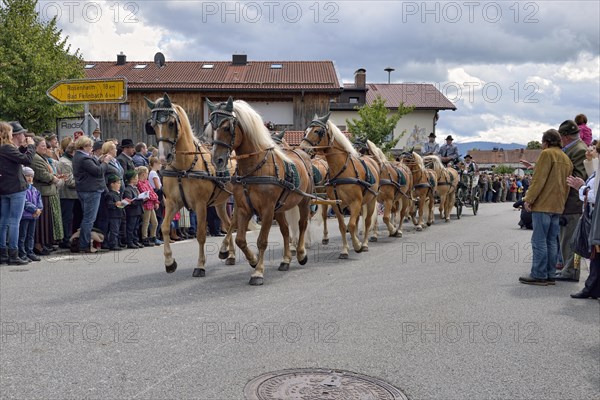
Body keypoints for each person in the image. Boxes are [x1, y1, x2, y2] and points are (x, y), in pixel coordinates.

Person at [519, 129, 572, 285]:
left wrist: (528, 199)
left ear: (546, 141)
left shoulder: (547, 154)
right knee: (551, 241)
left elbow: (539, 179)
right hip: (557, 206)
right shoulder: (566, 158)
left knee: (539, 241)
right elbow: (566, 186)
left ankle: (539, 274)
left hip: (543, 204)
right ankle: (550, 274)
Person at [555, 120, 589, 282]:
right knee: (566, 238)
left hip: (573, 201)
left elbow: (580, 177)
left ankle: (571, 271)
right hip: (569, 201)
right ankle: (568, 270)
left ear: (565, 136)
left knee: (570, 239)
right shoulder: (573, 148)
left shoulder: (579, 150)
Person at [566, 141, 599, 298]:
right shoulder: (596, 168)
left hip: (595, 216)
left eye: (593, 149)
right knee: (595, 255)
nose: (589, 150)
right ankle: (592, 287)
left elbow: (594, 195)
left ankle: (591, 287)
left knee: (595, 253)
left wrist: (581, 188)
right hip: (593, 214)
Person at [0, 121, 36, 265]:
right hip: (15, 188)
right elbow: (27, 160)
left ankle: (3, 252)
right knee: (15, 221)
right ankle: (13, 254)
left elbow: (14, 159)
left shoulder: (3, 148)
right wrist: (32, 147)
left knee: (3, 221)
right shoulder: (7, 147)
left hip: (4, 188)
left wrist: (22, 148)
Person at [72, 136, 112, 253]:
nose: (92, 148)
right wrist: (105, 162)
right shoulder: (84, 158)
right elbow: (98, 172)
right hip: (91, 191)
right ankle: (84, 244)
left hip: (85, 190)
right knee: (89, 219)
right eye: (90, 146)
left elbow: (92, 168)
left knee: (87, 218)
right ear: (84, 146)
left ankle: (84, 243)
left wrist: (99, 160)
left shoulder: (79, 156)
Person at [31, 136, 63, 254]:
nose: (45, 148)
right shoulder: (35, 158)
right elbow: (42, 175)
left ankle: (43, 243)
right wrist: (54, 178)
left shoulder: (41, 157)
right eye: (43, 146)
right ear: (35, 147)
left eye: (45, 146)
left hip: (47, 192)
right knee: (41, 223)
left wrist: (55, 177)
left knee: (46, 222)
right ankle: (38, 244)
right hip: (42, 193)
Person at [56, 142, 79, 248]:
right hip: (67, 195)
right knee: (68, 218)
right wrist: (83, 182)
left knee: (72, 218)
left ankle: (71, 238)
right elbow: (69, 182)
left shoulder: (70, 160)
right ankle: (66, 239)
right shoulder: (65, 162)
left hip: (73, 195)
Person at [18, 167, 43, 262]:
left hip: (34, 216)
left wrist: (38, 210)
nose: (29, 178)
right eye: (27, 176)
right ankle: (22, 253)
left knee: (31, 235)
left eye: (31, 176)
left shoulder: (34, 189)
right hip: (25, 216)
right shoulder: (22, 188)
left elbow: (39, 201)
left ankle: (30, 252)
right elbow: (24, 202)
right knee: (22, 235)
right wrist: (34, 210)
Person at [135, 166, 159, 247]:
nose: (147, 175)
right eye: (147, 173)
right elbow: (146, 194)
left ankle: (153, 237)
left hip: (151, 204)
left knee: (155, 222)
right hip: (145, 205)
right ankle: (144, 238)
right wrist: (153, 197)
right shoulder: (139, 183)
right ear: (143, 174)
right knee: (146, 222)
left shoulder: (147, 182)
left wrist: (156, 201)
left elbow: (152, 192)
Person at [123, 170, 144, 249]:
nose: (137, 180)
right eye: (136, 178)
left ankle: (135, 240)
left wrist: (142, 198)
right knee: (130, 227)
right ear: (131, 179)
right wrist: (139, 199)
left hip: (137, 211)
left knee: (136, 227)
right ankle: (130, 242)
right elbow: (130, 201)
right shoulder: (127, 189)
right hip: (132, 211)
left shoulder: (135, 189)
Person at [104, 175, 124, 251]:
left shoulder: (118, 194)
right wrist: (115, 204)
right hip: (113, 215)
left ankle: (117, 243)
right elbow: (109, 205)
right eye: (118, 183)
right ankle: (113, 244)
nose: (120, 185)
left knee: (117, 230)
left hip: (118, 214)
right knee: (114, 230)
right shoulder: (110, 194)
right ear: (112, 184)